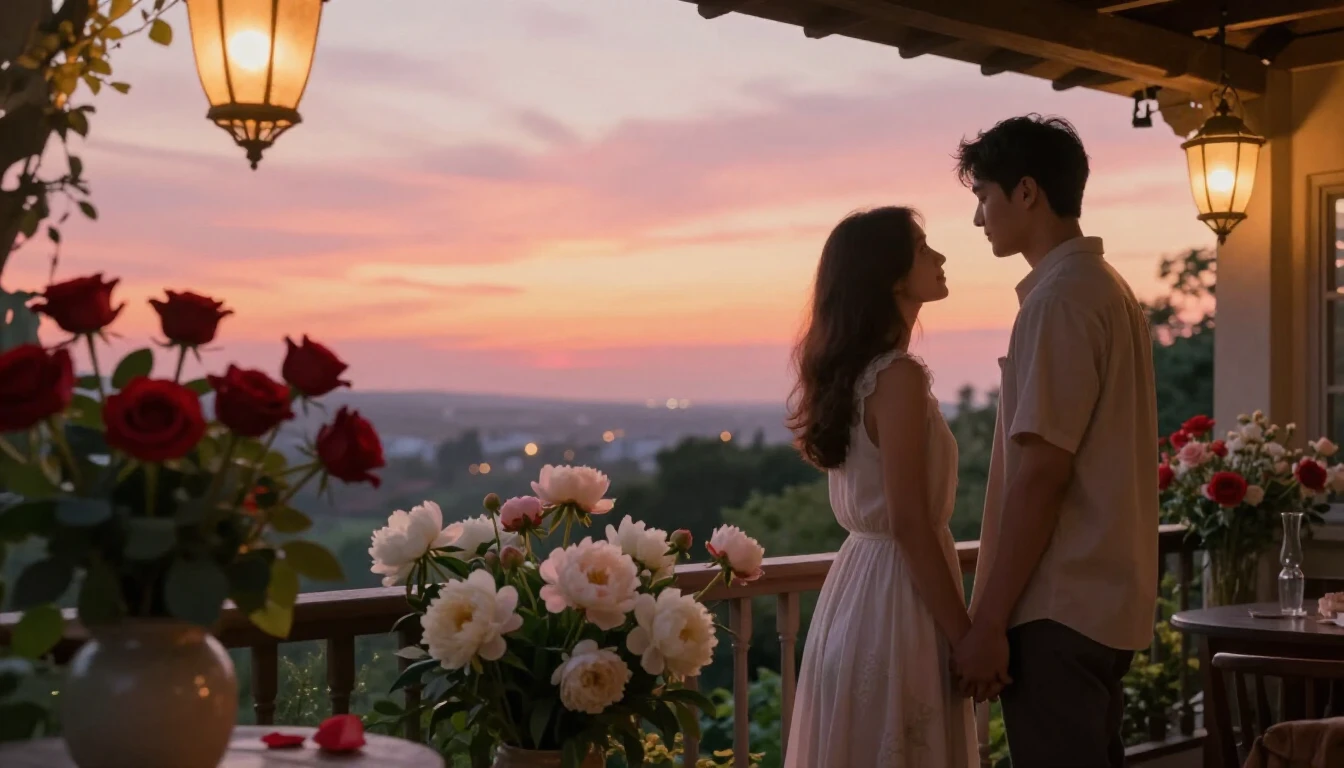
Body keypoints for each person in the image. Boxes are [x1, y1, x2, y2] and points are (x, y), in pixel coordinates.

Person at [952, 115, 1159, 768]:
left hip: (1058, 610)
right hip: (1104, 606)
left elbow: (1042, 473)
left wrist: (988, 622)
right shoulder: (1107, 289)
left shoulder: (1059, 300)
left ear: (1026, 192)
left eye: (984, 196)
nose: (979, 219)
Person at [784, 206, 977, 767]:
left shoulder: (857, 375)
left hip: (855, 594)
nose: (940, 257)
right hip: (897, 600)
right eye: (923, 248)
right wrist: (967, 637)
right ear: (891, 275)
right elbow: (910, 523)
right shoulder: (897, 377)